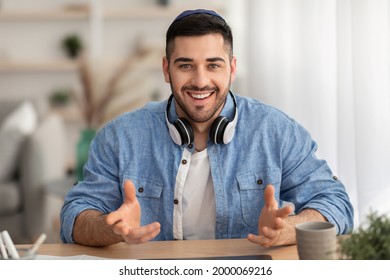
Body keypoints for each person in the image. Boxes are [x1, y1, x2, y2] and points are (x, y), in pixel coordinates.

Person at [60, 9, 354, 247]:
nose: (200, 81)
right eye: (186, 65)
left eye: (213, 65)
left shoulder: (277, 130)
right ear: (166, 69)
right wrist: (110, 228)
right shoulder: (119, 136)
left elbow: (336, 203)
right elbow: (74, 215)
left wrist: (286, 229)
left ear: (232, 68)